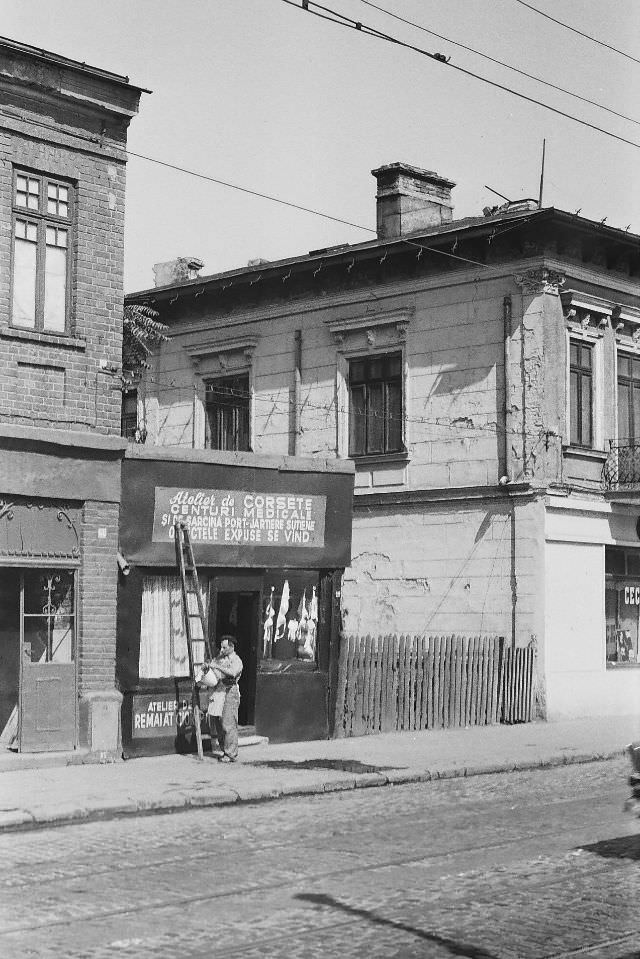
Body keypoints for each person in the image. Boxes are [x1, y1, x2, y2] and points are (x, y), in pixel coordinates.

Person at [209, 635, 243, 763]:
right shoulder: (220, 658)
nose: (222, 650)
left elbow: (233, 673)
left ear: (231, 647)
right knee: (219, 722)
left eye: (224, 647)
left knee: (228, 723)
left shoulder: (236, 660)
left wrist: (217, 666)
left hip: (230, 691)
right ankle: (224, 750)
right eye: (221, 647)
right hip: (219, 690)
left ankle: (231, 753)